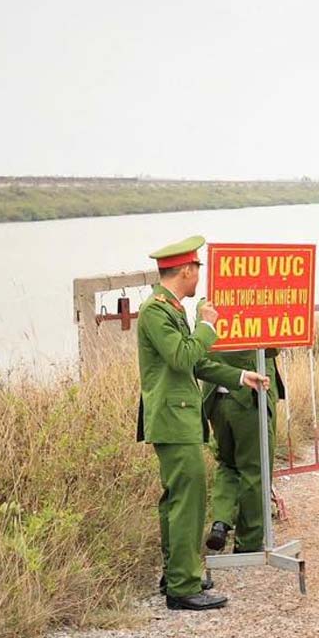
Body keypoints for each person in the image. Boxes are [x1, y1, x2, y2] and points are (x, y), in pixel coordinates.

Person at [136, 235, 269, 611]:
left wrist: (240, 378)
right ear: (185, 270)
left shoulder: (170, 309)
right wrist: (206, 326)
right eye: (196, 270)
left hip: (178, 418)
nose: (199, 279)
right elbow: (182, 356)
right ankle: (183, 585)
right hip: (171, 419)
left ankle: (176, 572)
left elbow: (197, 364)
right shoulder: (156, 312)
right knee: (187, 502)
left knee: (177, 500)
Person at [203, 348, 285, 554]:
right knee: (255, 469)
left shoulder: (208, 316)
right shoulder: (248, 316)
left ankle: (220, 522)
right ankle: (248, 541)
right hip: (249, 397)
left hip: (216, 398)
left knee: (226, 463)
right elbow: (270, 346)